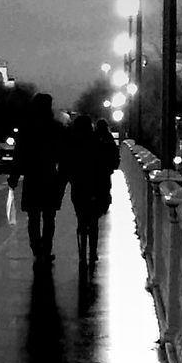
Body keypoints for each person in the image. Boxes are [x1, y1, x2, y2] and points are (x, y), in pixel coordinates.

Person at [6, 92, 66, 266]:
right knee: (49, 217)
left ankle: (36, 248)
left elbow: (19, 155)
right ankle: (46, 249)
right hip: (49, 176)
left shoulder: (27, 129)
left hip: (32, 177)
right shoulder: (56, 128)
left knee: (33, 217)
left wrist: (14, 177)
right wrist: (62, 177)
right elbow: (63, 154)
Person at [62, 115, 118, 272]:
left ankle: (82, 252)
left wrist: (63, 184)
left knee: (81, 218)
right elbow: (109, 162)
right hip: (95, 186)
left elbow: (66, 166)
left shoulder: (72, 143)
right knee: (93, 221)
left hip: (79, 186)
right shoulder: (97, 141)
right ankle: (92, 252)